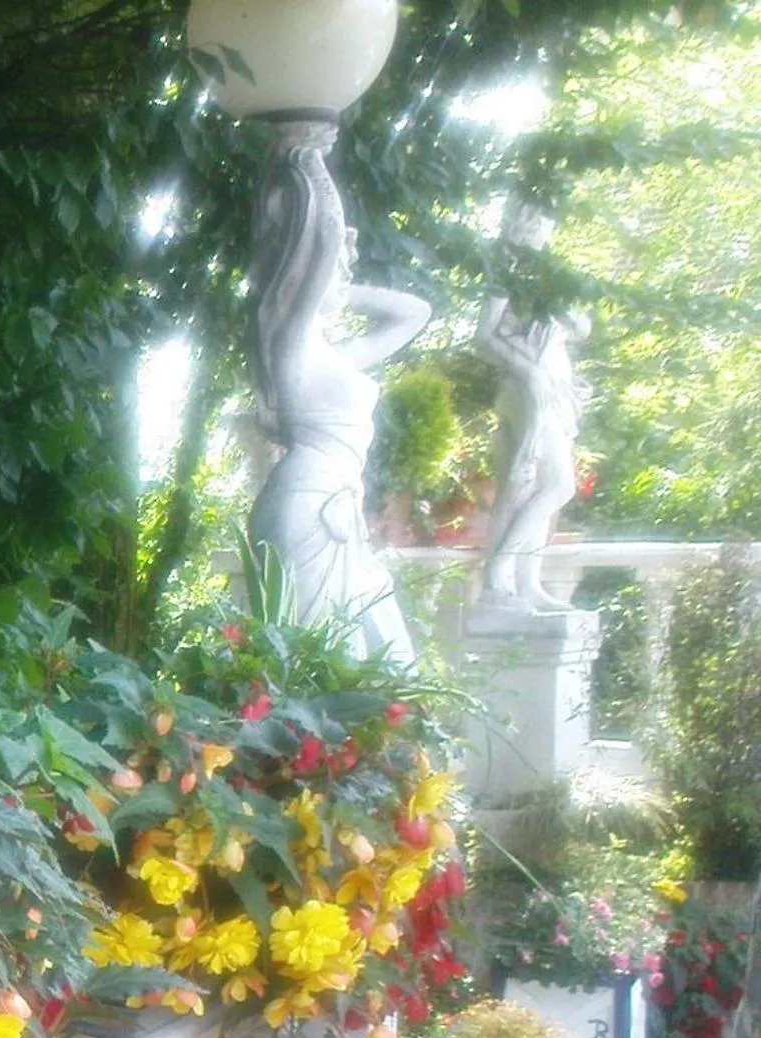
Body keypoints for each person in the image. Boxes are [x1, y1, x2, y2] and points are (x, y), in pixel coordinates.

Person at [248, 120, 431, 665]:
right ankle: (311, 753)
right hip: (306, 503)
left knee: (386, 659)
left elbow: (415, 315)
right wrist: (310, 166)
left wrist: (346, 293)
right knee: (319, 660)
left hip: (336, 507)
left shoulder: (334, 356)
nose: (347, 260)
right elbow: (324, 243)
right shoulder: (295, 344)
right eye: (341, 266)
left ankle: (361, 753)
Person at [475, 204, 591, 612]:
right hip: (527, 385)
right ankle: (498, 572)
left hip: (554, 384)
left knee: (529, 485)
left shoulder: (547, 280)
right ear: (519, 228)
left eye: (544, 228)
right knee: (550, 483)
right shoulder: (505, 276)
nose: (540, 235)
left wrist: (564, 310)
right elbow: (483, 336)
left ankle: (526, 582)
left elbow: (582, 327)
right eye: (535, 227)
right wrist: (529, 371)